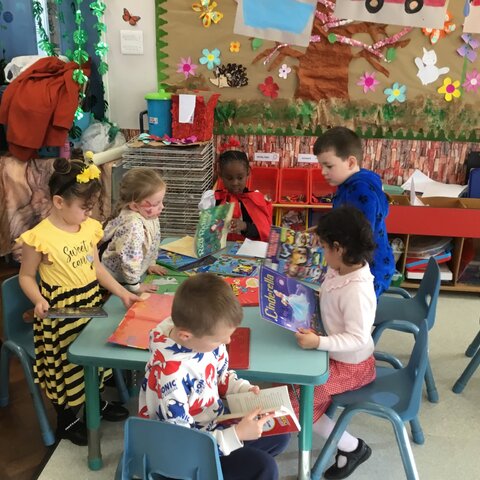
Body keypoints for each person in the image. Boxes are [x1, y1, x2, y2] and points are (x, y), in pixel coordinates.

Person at [17, 158, 140, 446]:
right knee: (65, 366)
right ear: (59, 202)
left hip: (89, 301)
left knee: (94, 354)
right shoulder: (39, 237)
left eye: (91, 207)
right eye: (84, 208)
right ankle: (66, 418)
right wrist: (38, 300)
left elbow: (96, 269)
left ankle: (95, 401)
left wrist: (122, 292)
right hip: (59, 311)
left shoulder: (88, 228)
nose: (89, 214)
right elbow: (25, 276)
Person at [139, 273, 290, 480]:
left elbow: (220, 376)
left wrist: (243, 389)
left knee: (279, 435)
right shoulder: (170, 377)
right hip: (185, 453)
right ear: (185, 336)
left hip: (213, 425)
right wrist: (236, 435)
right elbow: (183, 444)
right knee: (264, 468)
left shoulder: (200, 336)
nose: (227, 342)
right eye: (219, 340)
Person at [291, 206, 377, 480]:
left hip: (352, 367)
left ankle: (353, 447)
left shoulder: (356, 290)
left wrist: (318, 342)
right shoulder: (341, 267)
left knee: (296, 404)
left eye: (325, 247)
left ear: (339, 248)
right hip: (333, 354)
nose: (322, 252)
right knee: (291, 384)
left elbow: (358, 338)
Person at [314, 126, 394, 297]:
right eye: (321, 165)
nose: (323, 172)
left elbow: (359, 238)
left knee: (354, 309)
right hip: (355, 263)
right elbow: (342, 222)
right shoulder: (348, 183)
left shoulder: (360, 190)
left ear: (350, 162)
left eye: (328, 166)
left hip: (368, 270)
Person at [101, 167, 167, 293]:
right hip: (116, 280)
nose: (162, 207)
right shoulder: (133, 226)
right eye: (156, 203)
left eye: (161, 201)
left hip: (132, 275)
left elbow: (153, 241)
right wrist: (135, 286)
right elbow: (129, 259)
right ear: (135, 206)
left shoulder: (149, 214)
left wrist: (151, 263)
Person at [200, 150, 272, 241]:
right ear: (221, 175)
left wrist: (245, 226)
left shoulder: (255, 200)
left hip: (248, 248)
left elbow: (263, 232)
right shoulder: (214, 199)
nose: (235, 183)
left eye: (240, 178)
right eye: (229, 178)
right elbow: (205, 230)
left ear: (248, 173)